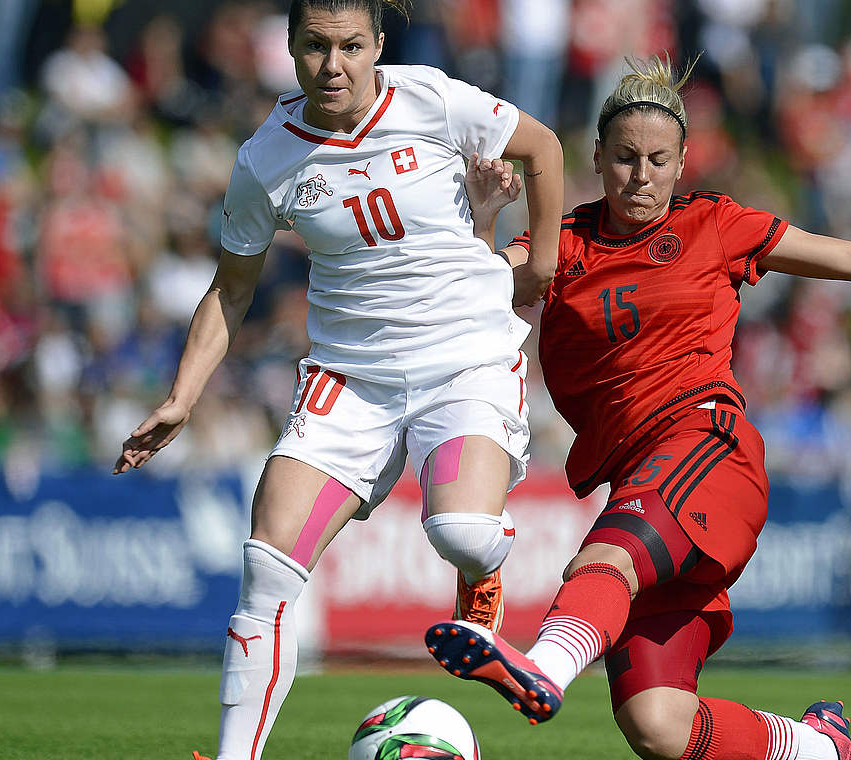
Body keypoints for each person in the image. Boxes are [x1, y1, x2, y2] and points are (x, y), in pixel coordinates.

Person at [427, 55, 851, 760]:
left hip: (705, 449)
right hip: (642, 483)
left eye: (657, 159)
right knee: (657, 726)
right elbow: (469, 306)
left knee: (604, 562)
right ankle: (819, 748)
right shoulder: (564, 244)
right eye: (623, 158)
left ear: (682, 165)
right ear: (595, 157)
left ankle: (547, 669)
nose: (639, 175)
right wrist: (487, 216)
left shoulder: (716, 224)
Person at [112, 2, 564, 759]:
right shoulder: (267, 157)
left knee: (462, 531)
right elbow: (231, 289)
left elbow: (543, 146)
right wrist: (182, 396)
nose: (334, 65)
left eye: (352, 46)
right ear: (288, 49)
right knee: (266, 566)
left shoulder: (431, 98)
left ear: (378, 45)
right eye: (315, 46)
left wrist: (540, 264)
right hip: (350, 378)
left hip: (464, 357)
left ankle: (483, 572)